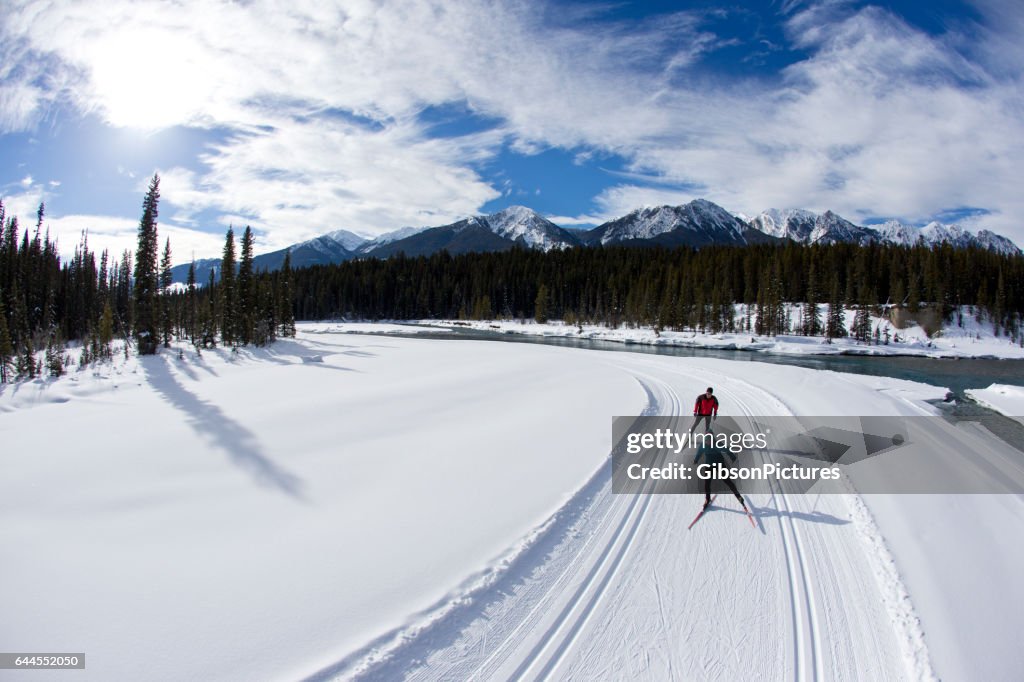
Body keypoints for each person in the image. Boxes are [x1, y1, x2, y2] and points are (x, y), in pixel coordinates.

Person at [693, 443, 747, 511]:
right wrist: (732, 456)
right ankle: (738, 496)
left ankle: (707, 499)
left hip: (710, 466)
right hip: (719, 465)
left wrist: (695, 460)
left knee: (707, 483)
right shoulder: (717, 444)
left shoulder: (703, 445)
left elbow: (699, 453)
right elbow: (726, 449)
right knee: (728, 481)